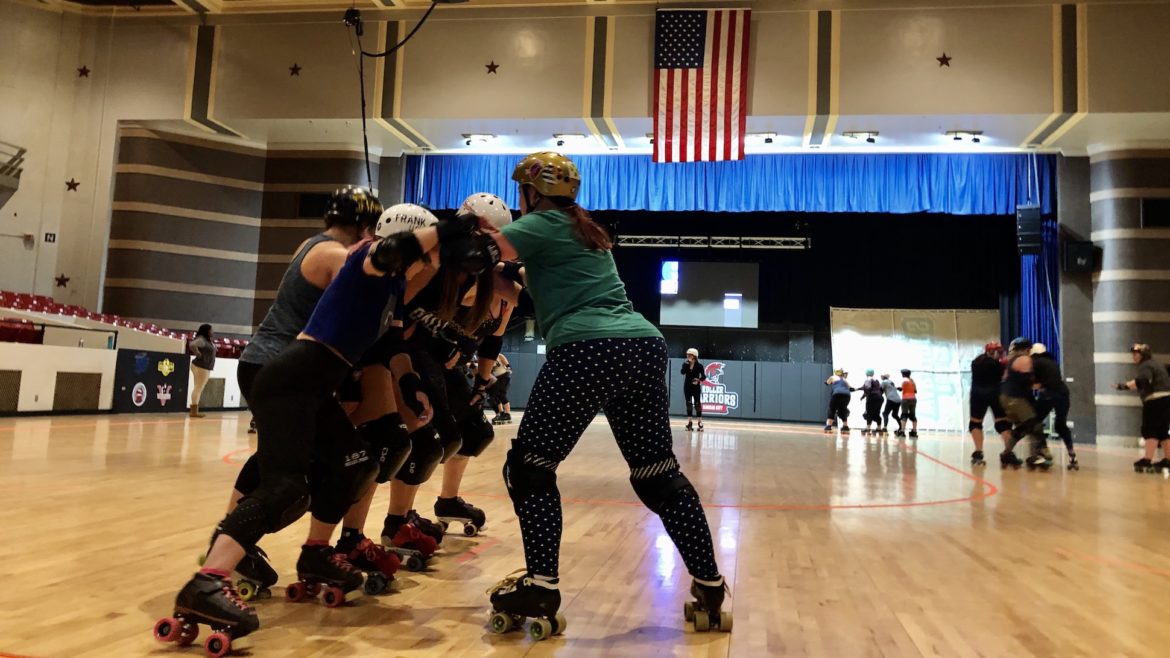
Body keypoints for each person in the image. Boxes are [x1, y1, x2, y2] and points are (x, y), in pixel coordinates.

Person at [452, 152, 729, 634]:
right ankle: (709, 583)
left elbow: (478, 256)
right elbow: (523, 283)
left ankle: (541, 585)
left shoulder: (541, 223)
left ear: (531, 193)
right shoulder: (585, 231)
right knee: (655, 475)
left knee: (530, 467)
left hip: (588, 349)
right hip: (641, 346)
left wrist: (450, 237)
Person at [159, 195, 446, 649]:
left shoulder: (355, 267)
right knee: (283, 481)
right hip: (285, 372)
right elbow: (376, 261)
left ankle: (313, 553)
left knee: (353, 463)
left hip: (303, 378)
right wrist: (440, 234)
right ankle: (214, 568)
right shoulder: (349, 259)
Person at [1113, 343, 1170, 473]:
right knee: (1163, 431)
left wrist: (1123, 386)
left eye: (1136, 353)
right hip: (1166, 399)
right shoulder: (1157, 364)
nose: (1133, 356)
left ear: (1143, 355)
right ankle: (1168, 459)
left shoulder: (1146, 365)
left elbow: (1143, 381)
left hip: (1155, 400)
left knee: (1150, 429)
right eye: (1133, 353)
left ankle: (1147, 459)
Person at [998, 337, 1045, 469]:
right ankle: (1035, 457)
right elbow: (1027, 381)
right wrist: (1041, 385)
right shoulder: (1025, 359)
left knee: (1021, 429)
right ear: (1026, 349)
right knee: (1034, 426)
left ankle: (1006, 454)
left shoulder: (1010, 360)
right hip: (1016, 399)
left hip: (1007, 398)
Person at [1031, 343, 1077, 470]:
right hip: (1063, 393)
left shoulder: (1036, 363)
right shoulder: (1052, 362)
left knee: (1034, 421)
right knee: (1060, 425)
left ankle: (1042, 451)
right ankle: (1072, 454)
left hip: (1049, 394)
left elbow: (1035, 384)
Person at [968, 341, 1012, 466]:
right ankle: (1008, 453)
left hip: (977, 395)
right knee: (1003, 424)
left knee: (975, 423)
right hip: (995, 394)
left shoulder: (976, 362)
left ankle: (978, 452)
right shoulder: (1000, 365)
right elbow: (1004, 378)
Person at [188, 324, 216, 418]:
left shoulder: (206, 340)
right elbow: (192, 344)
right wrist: (199, 355)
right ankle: (194, 412)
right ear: (206, 331)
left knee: (197, 388)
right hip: (202, 366)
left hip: (201, 366)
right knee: (198, 388)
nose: (213, 332)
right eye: (211, 330)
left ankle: (194, 411)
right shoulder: (202, 339)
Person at [681, 347, 706, 432]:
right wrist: (687, 364)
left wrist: (699, 380)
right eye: (687, 355)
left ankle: (700, 423)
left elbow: (704, 377)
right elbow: (682, 372)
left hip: (696, 387)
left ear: (694, 356)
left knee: (697, 404)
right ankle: (690, 423)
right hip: (687, 386)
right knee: (688, 404)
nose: (688, 356)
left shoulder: (699, 366)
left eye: (689, 355)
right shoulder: (685, 364)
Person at [488, 353, 514, 424]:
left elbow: (508, 366)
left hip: (505, 376)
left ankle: (508, 414)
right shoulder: (489, 359)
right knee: (495, 396)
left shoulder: (499, 355)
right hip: (497, 378)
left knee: (502, 394)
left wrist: (508, 374)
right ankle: (501, 414)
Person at [824, 369, 852, 433]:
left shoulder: (833, 377)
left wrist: (826, 382)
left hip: (837, 394)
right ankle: (845, 426)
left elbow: (827, 383)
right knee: (843, 409)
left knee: (832, 409)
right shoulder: (845, 380)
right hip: (847, 395)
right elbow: (851, 388)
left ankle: (828, 426)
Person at [860, 369, 883, 436]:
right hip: (880, 398)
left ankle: (868, 428)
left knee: (869, 413)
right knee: (877, 412)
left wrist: (863, 396)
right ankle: (879, 428)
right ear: (873, 374)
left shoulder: (868, 379)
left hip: (872, 398)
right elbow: (880, 389)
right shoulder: (877, 380)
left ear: (866, 374)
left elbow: (867, 388)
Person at [898, 369, 919, 438]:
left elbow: (901, 389)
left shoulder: (904, 380)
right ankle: (914, 431)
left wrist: (896, 388)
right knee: (913, 415)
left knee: (904, 414)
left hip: (905, 399)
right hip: (913, 399)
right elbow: (915, 391)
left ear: (903, 374)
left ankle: (902, 431)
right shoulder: (912, 381)